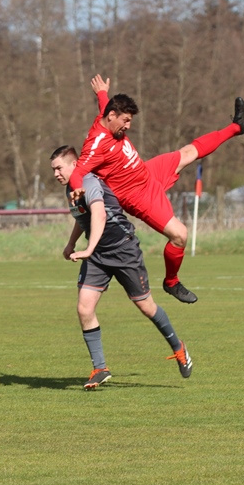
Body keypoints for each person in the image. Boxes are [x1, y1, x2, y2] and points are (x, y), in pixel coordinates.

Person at [69, 74, 244, 305]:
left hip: (146, 172)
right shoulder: (96, 144)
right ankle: (171, 282)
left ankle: (237, 126)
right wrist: (77, 189)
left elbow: (105, 105)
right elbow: (78, 172)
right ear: (112, 116)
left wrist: (102, 92)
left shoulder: (108, 117)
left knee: (188, 152)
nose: (128, 126)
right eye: (126, 120)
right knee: (180, 235)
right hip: (137, 195)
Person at [53, 145, 192, 389]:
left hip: (123, 250)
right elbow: (82, 216)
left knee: (146, 307)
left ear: (74, 165)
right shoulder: (71, 188)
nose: (55, 174)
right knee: (84, 309)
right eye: (53, 169)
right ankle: (100, 368)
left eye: (58, 168)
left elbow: (99, 214)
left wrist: (88, 248)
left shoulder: (89, 181)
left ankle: (178, 348)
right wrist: (72, 243)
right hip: (98, 256)